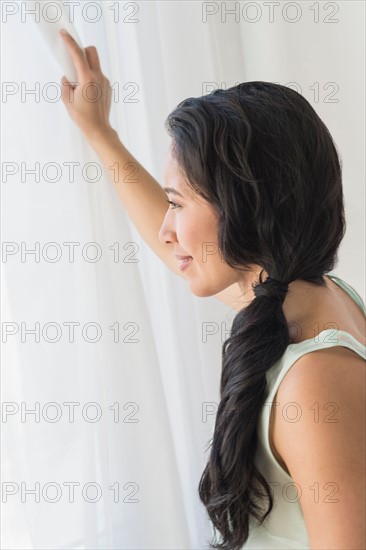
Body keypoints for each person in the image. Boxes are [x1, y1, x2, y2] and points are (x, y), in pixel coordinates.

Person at [59, 29, 365, 550]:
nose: (166, 228)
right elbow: (178, 248)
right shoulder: (306, 293)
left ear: (242, 211)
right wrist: (99, 131)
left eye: (178, 204)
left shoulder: (314, 381)